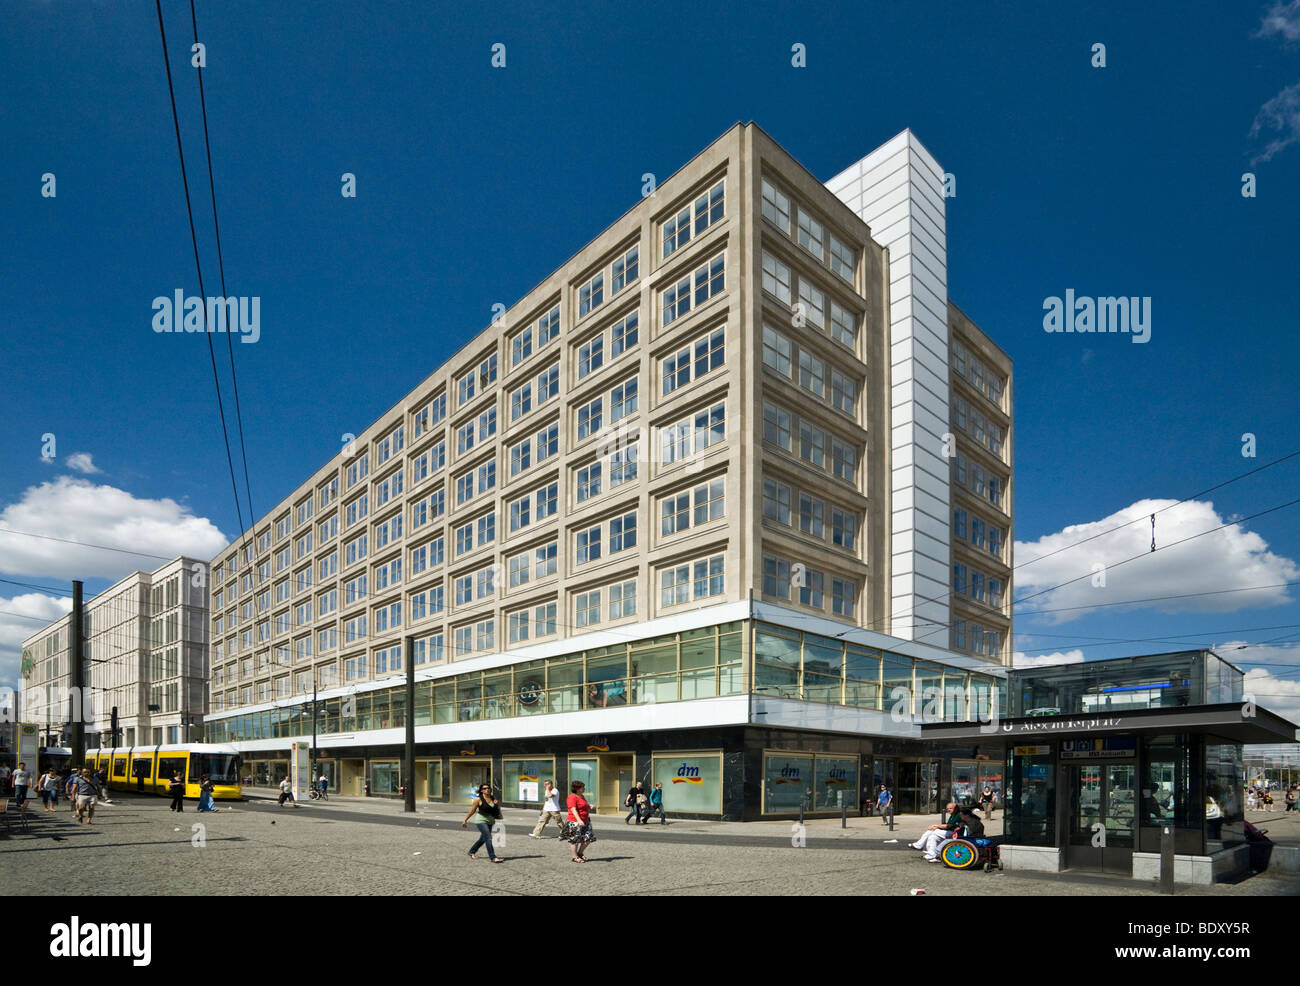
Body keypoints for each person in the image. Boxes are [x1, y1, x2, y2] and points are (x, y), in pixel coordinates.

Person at [460, 782, 504, 862]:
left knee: (483, 839)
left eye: (488, 788)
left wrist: (497, 805)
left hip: (491, 821)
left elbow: (495, 811)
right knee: (488, 838)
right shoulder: (478, 800)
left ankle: (471, 851)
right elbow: (472, 811)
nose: (487, 789)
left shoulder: (493, 798)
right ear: (481, 791)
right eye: (484, 788)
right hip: (481, 820)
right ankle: (493, 857)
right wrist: (465, 820)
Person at [564, 780, 595, 862]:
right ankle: (575, 857)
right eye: (582, 787)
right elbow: (573, 810)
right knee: (575, 840)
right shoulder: (572, 797)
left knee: (589, 838)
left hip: (586, 820)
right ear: (577, 789)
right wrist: (579, 820)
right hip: (574, 821)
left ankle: (580, 853)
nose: (584, 788)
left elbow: (584, 805)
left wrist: (589, 806)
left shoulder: (581, 796)